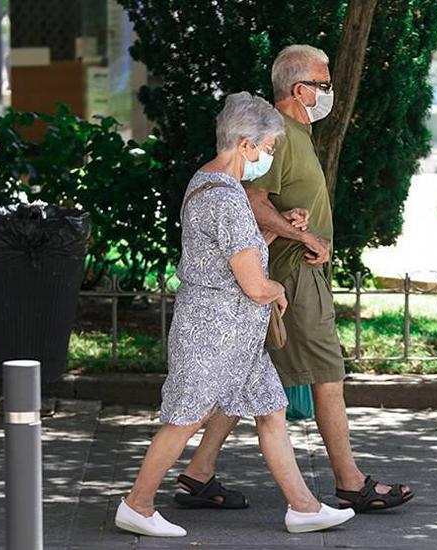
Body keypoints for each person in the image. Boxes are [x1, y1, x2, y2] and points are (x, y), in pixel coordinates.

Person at [173, 45, 414, 513]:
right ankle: (350, 482)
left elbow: (265, 202)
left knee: (252, 375)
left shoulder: (296, 134)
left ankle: (197, 473)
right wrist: (299, 235)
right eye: (324, 86)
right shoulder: (278, 135)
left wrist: (292, 224)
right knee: (327, 375)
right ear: (300, 89)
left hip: (291, 272)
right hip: (292, 274)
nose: (330, 94)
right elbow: (251, 199)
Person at [114, 92, 355, 537]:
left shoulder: (207, 181)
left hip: (231, 334)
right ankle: (137, 504)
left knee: (271, 411)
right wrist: (277, 288)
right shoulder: (226, 199)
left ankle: (303, 507)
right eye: (266, 148)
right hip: (216, 333)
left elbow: (235, 252)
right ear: (245, 144)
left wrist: (271, 228)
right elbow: (253, 283)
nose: (268, 156)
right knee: (185, 418)